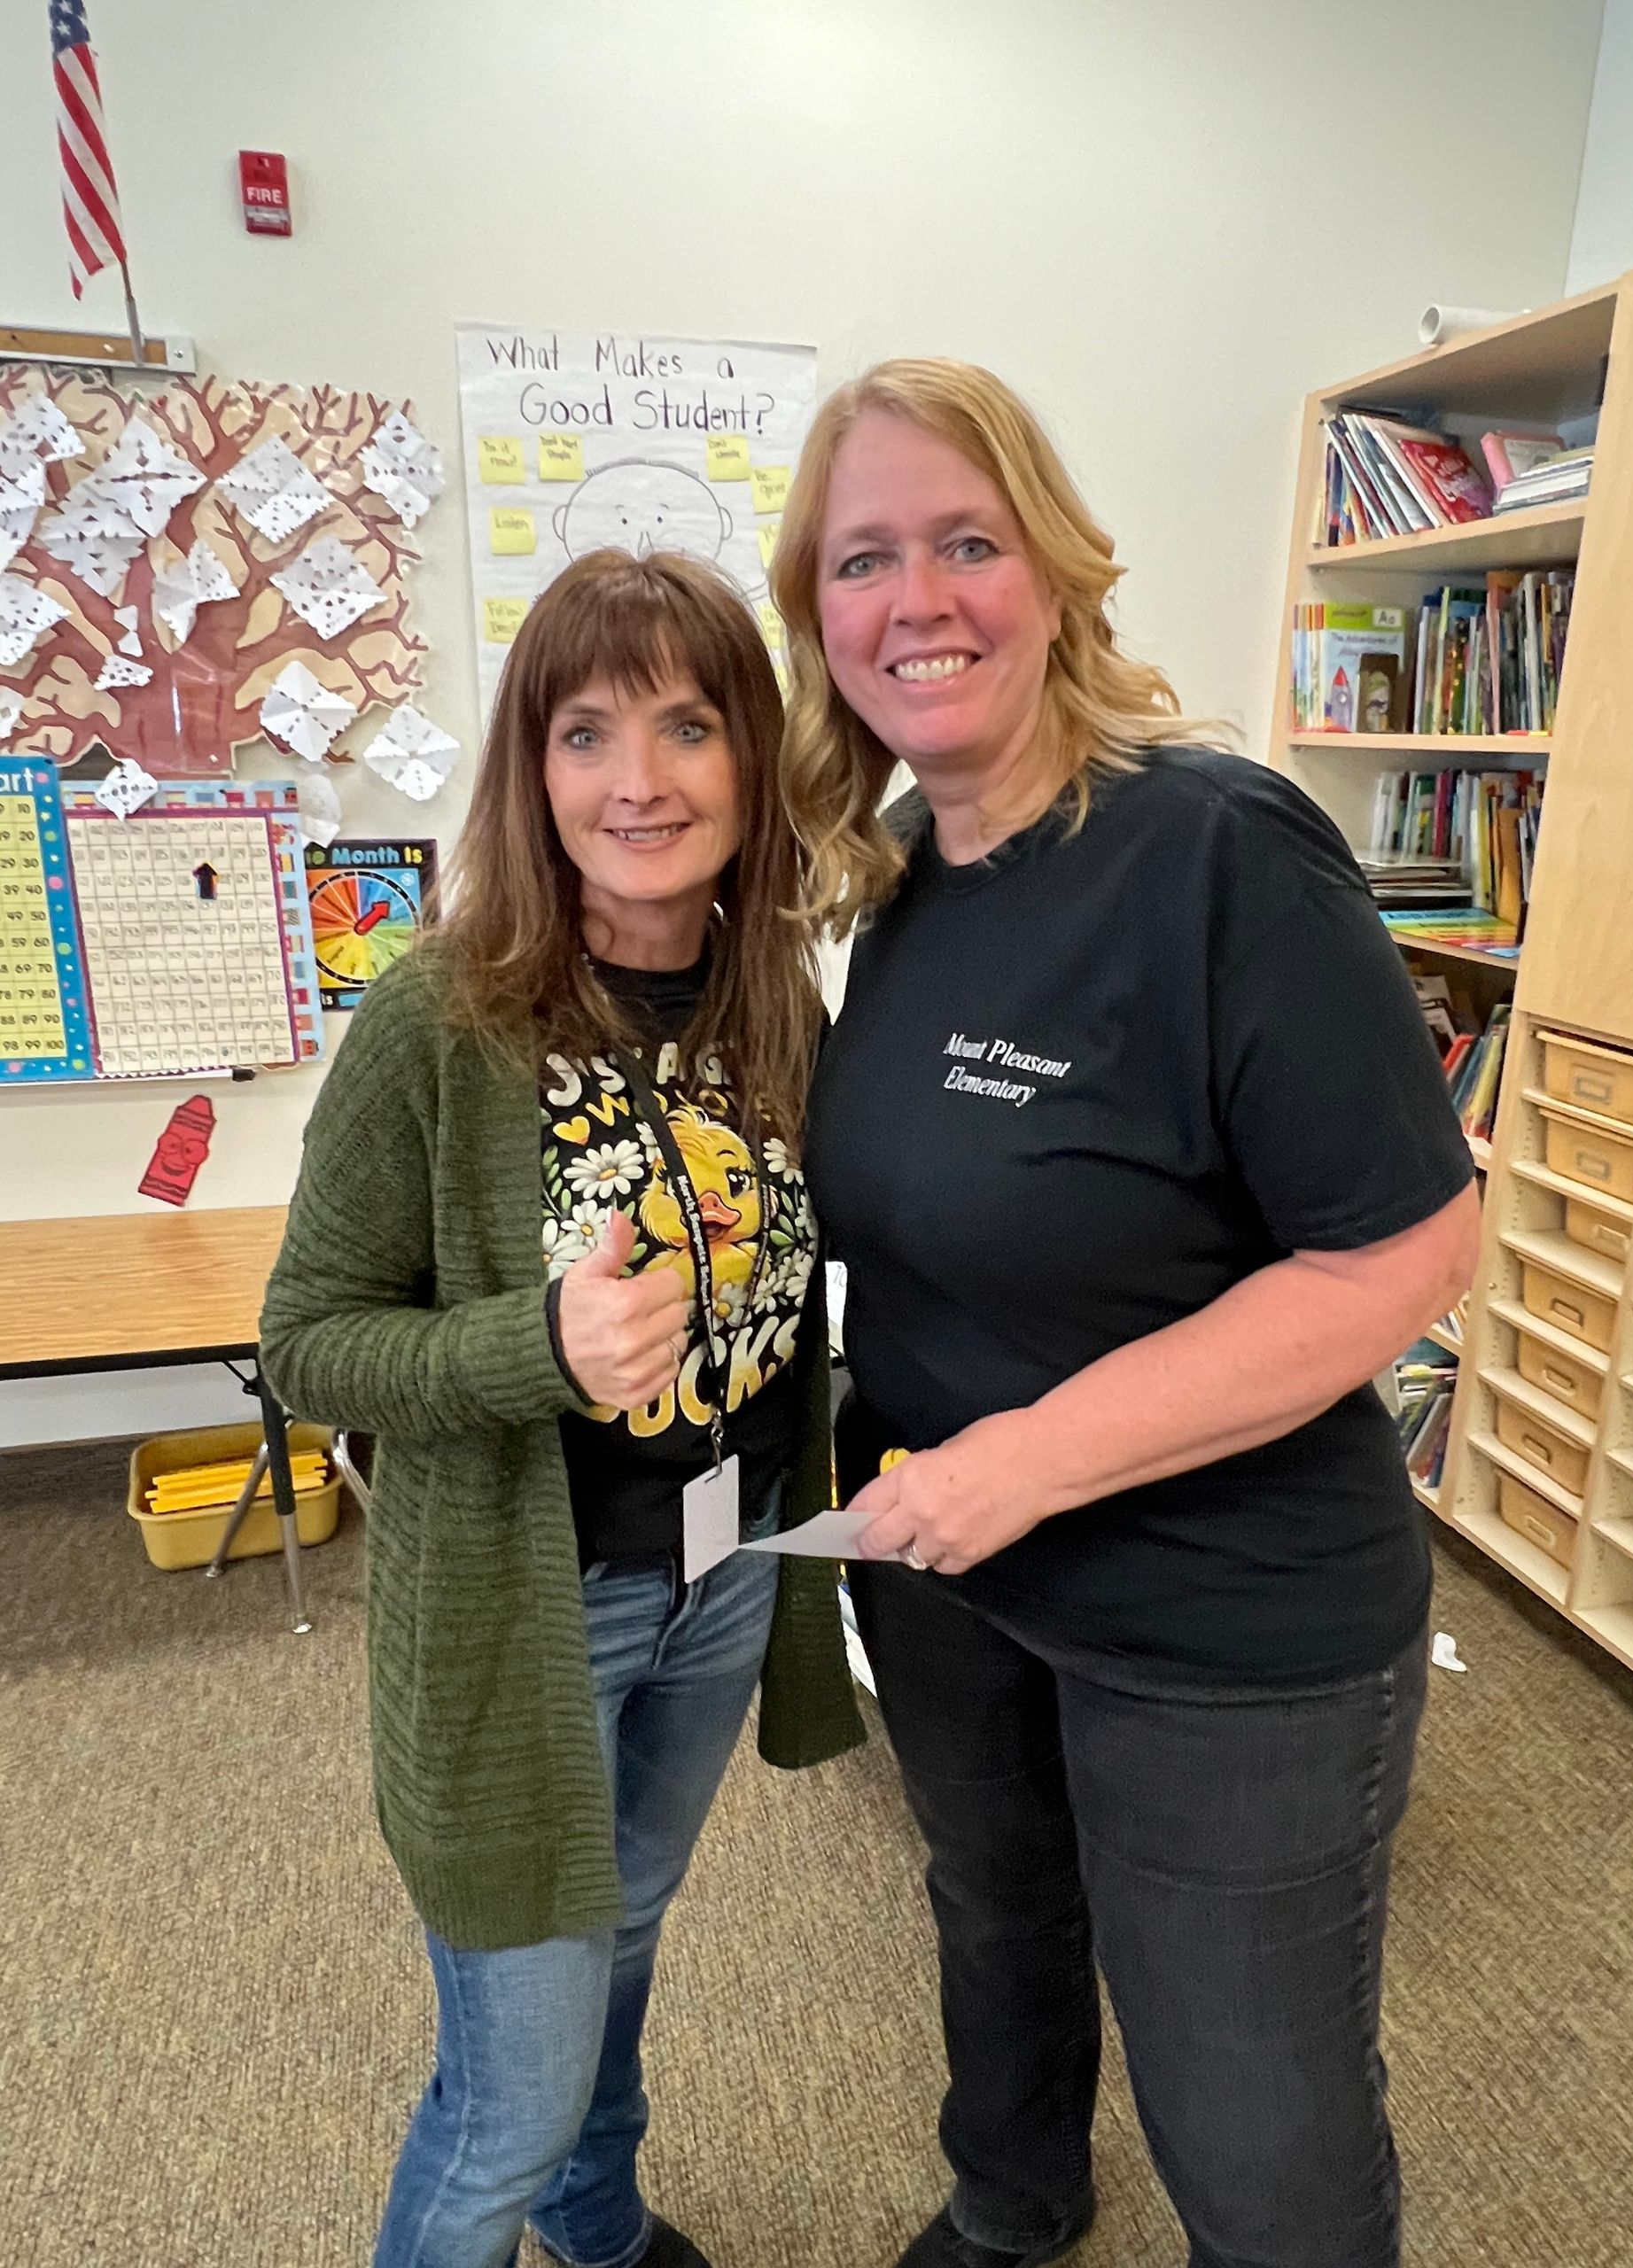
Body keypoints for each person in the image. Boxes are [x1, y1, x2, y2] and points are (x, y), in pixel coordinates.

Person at [774, 360, 1480, 2268]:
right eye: (862, 558)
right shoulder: (909, 865)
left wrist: (1031, 1458)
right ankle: (1013, 2211)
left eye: (965, 540)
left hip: (1220, 1612)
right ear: (816, 614)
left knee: (1253, 2120)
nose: (915, 597)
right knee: (997, 1929)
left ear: (1058, 569)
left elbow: (1405, 1253)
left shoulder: (1217, 849)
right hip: (945, 1568)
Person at [261, 548, 863, 2268]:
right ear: (533, 766)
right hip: (527, 1618)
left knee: (628, 1931)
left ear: (753, 756)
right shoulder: (438, 1022)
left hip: (727, 1566)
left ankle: (601, 2220)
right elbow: (307, 1340)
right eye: (587, 729)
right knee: (503, 2091)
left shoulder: (774, 1006)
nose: (640, 779)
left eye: (687, 724)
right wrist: (538, 1345)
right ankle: (552, 2181)